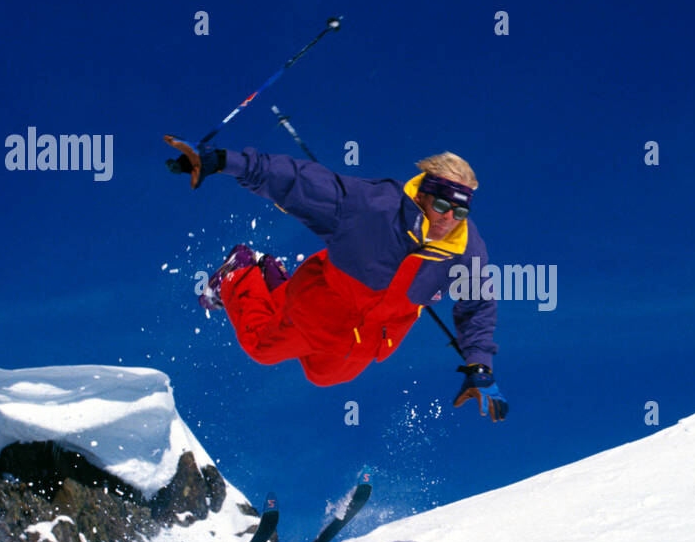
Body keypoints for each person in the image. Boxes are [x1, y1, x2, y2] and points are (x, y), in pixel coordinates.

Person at [168, 144, 507, 421]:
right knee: (261, 347)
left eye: (460, 212)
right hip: (319, 308)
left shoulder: (465, 249)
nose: (449, 219)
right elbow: (297, 181)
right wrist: (225, 161)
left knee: (323, 374)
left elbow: (478, 303)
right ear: (423, 196)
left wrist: (479, 363)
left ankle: (271, 275)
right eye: (443, 205)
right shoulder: (370, 207)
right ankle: (238, 272)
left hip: (371, 338)